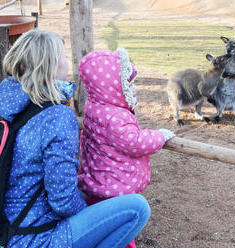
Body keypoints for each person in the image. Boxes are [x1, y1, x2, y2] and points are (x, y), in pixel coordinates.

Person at [1, 29, 151, 248]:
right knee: (136, 208)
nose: (66, 62)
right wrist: (91, 213)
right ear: (50, 64)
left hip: (7, 229)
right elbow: (62, 201)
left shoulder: (7, 103)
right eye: (62, 56)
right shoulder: (56, 115)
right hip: (36, 238)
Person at [77, 48, 174, 248]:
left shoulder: (95, 105)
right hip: (113, 186)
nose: (134, 89)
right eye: (128, 85)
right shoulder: (115, 116)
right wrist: (160, 136)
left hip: (98, 181)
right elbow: (135, 142)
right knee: (122, 228)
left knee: (105, 225)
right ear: (112, 88)